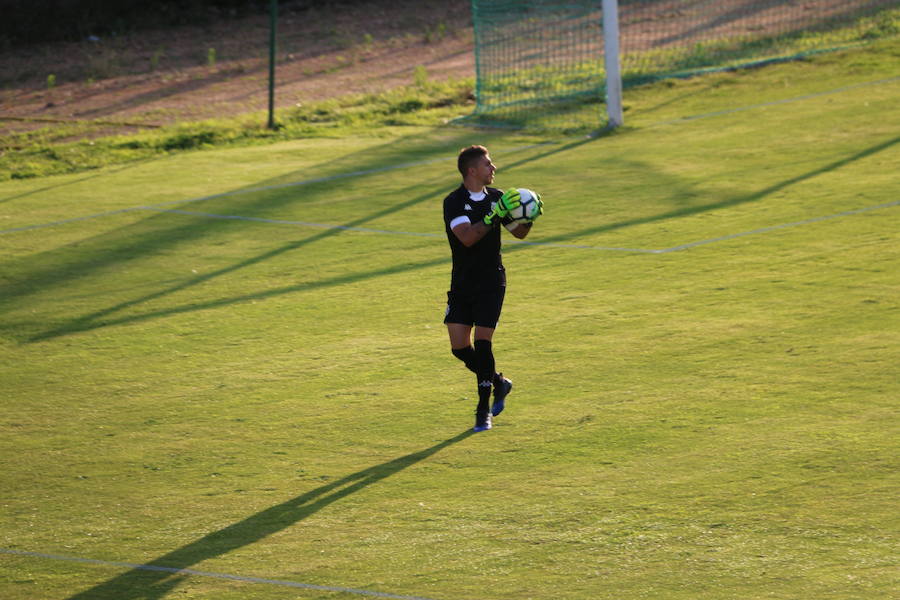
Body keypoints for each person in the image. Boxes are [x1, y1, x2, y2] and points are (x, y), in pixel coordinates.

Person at [442, 145, 543, 432]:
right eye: (488, 164)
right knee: (460, 348)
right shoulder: (454, 202)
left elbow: (519, 233)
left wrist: (528, 215)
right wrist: (491, 216)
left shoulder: (499, 198)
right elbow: (467, 238)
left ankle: (482, 410)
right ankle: (499, 382)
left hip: (491, 281)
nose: (493, 168)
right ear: (472, 170)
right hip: (462, 282)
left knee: (484, 343)